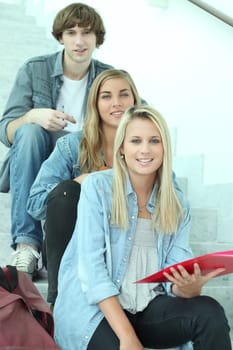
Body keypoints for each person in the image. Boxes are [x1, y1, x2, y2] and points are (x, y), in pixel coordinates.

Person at [53, 105, 231, 350]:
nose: (145, 149)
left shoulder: (177, 204)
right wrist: (127, 337)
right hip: (97, 312)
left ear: (164, 148)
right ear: (122, 149)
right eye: (136, 141)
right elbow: (92, 272)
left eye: (154, 141)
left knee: (210, 313)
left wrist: (188, 288)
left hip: (147, 308)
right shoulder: (98, 188)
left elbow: (173, 275)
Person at [0, 2, 113, 278]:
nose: (79, 41)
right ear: (60, 37)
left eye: (86, 33)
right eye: (71, 32)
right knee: (28, 133)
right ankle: (27, 245)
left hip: (83, 161)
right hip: (39, 155)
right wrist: (31, 117)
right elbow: (5, 130)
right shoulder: (34, 70)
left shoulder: (108, 78)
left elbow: (136, 117)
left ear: (97, 38)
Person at [27, 69, 142, 305]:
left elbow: (173, 198)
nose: (116, 103)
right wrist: (81, 181)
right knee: (67, 190)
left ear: (134, 100)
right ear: (95, 103)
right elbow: (35, 202)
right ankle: (58, 301)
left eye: (124, 95)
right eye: (106, 96)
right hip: (71, 248)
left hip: (120, 245)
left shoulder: (145, 147)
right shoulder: (71, 146)